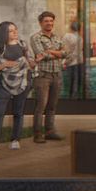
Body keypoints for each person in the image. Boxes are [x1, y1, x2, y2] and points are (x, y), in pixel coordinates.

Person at [0, 20, 31, 152]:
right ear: (3, 33)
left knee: (18, 112)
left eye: (15, 29)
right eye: (11, 30)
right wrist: (5, 65)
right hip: (3, 84)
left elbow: (29, 62)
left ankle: (15, 140)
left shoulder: (23, 45)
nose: (15, 32)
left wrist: (31, 62)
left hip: (22, 82)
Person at [29, 11, 66, 141]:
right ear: (40, 23)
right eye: (46, 21)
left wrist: (49, 51)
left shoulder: (57, 37)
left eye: (51, 21)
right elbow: (41, 55)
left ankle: (50, 131)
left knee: (52, 106)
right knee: (41, 105)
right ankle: (38, 134)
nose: (49, 23)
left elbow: (65, 53)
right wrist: (56, 53)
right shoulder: (36, 37)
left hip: (57, 75)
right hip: (43, 76)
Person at [62, 19, 84, 100]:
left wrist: (65, 62)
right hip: (79, 62)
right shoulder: (79, 38)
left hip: (72, 63)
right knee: (77, 84)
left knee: (71, 84)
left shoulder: (67, 36)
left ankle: (72, 101)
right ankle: (75, 100)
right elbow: (76, 53)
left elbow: (66, 51)